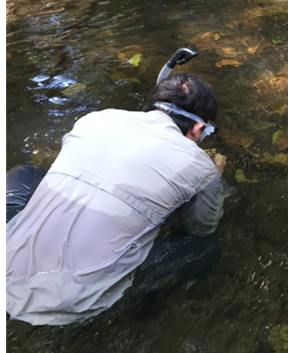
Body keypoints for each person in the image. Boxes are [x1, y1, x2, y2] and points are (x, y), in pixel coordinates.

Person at [6, 72, 229, 325]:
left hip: (9, 263)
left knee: (27, 174)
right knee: (205, 249)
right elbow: (201, 228)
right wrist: (211, 179)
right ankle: (133, 310)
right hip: (73, 301)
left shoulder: (95, 119)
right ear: (199, 127)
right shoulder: (201, 166)